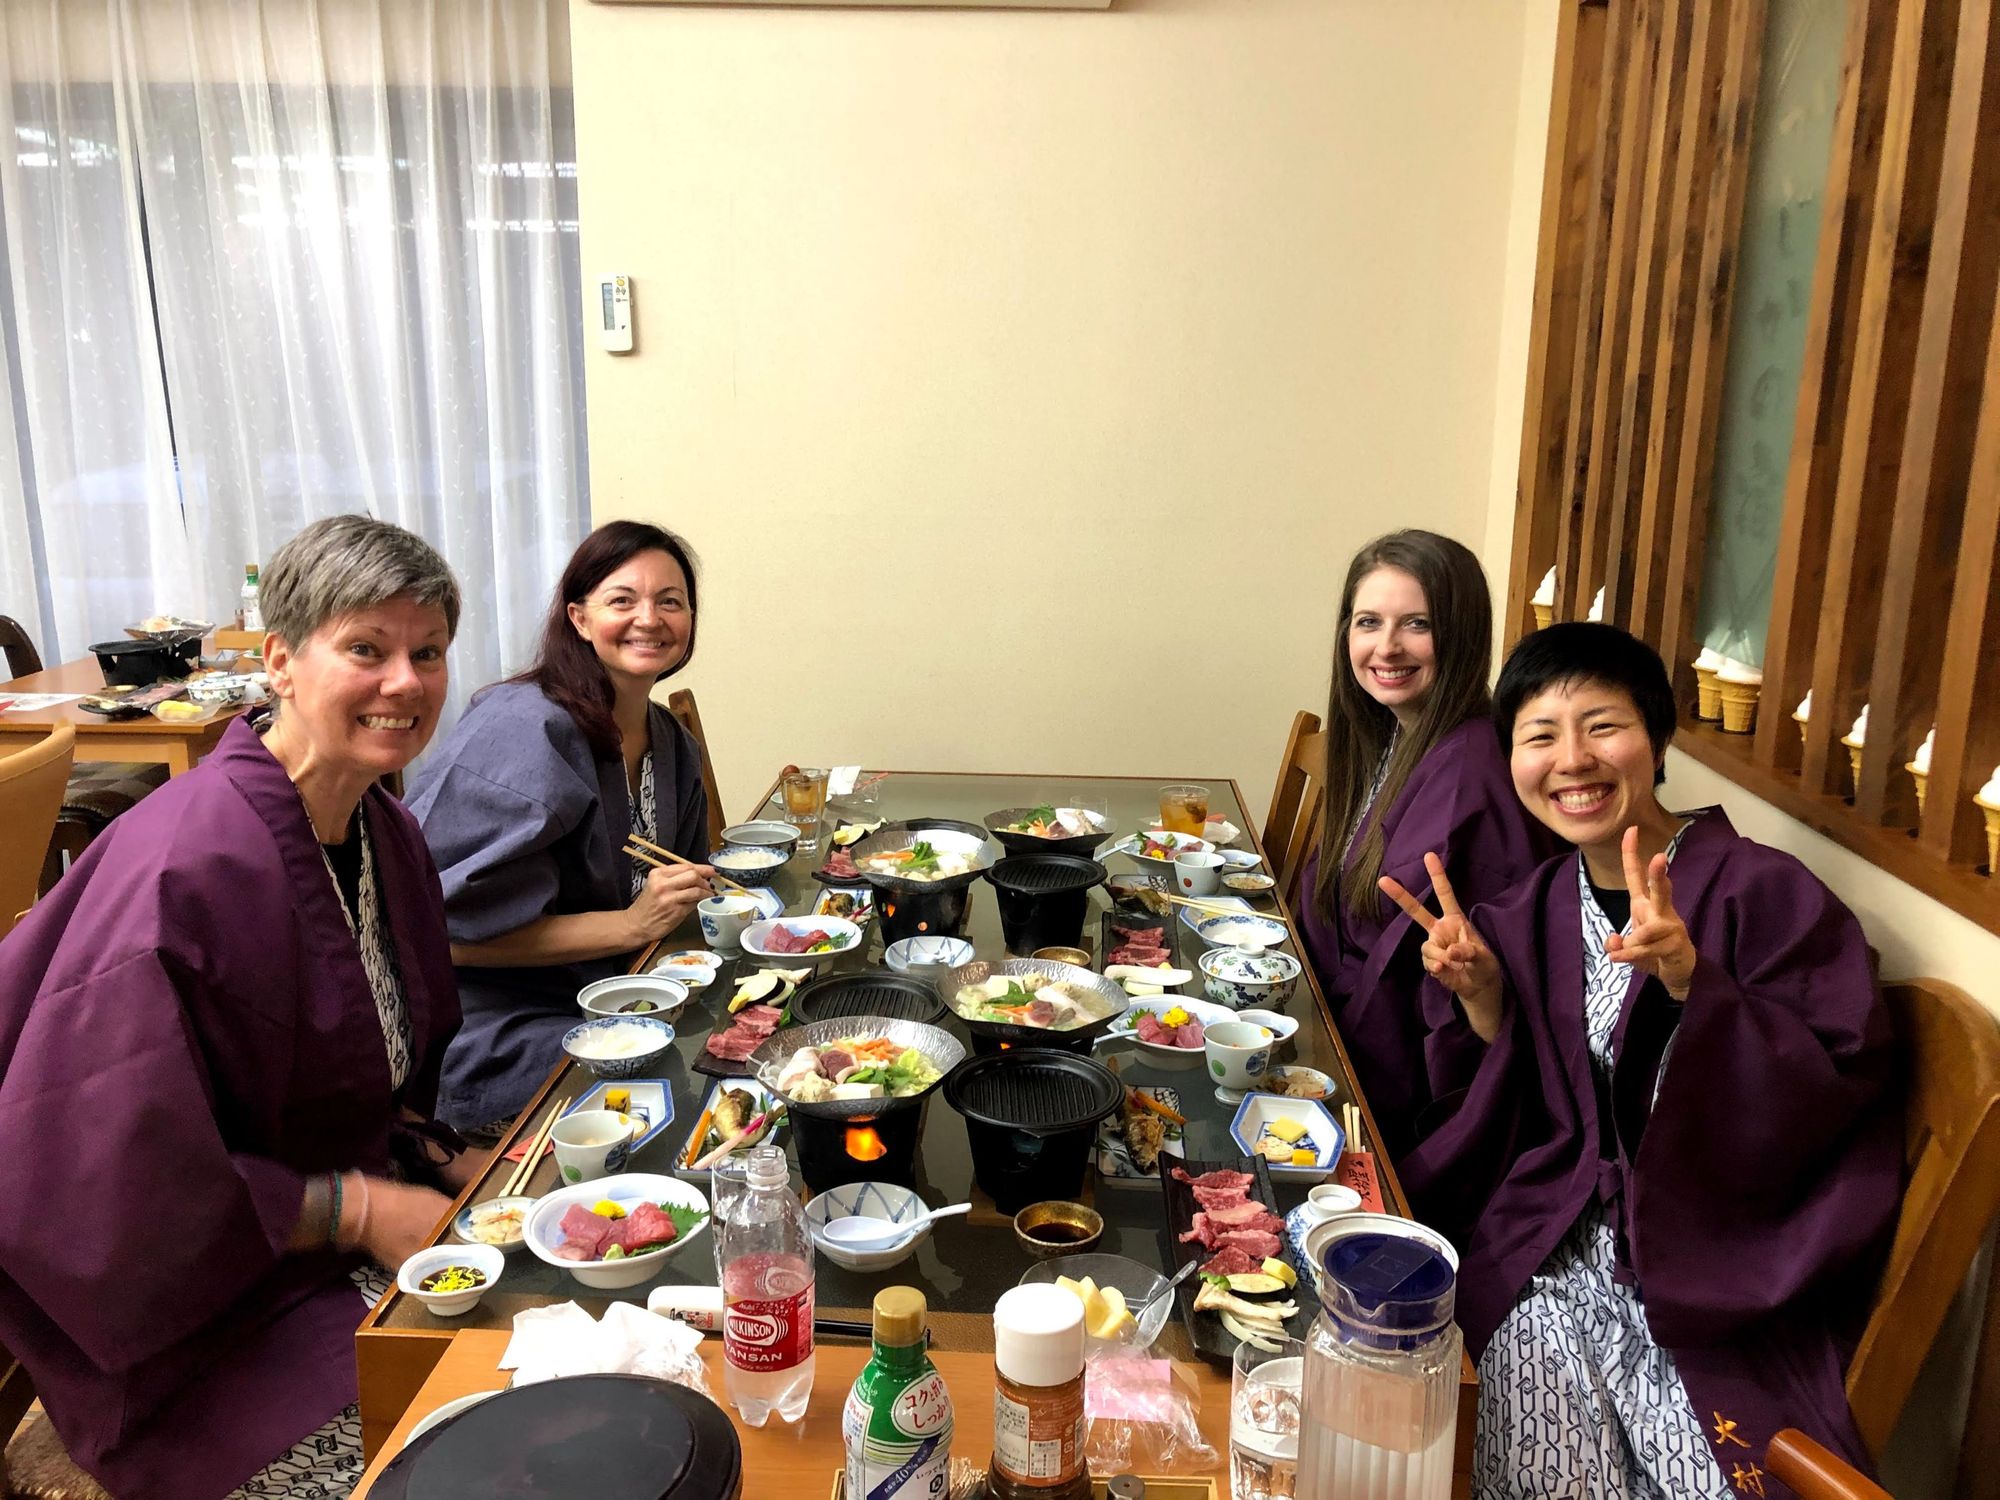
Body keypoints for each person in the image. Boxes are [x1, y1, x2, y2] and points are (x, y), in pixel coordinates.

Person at [0, 516, 476, 1499]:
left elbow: (365, 1070)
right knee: (462, 1456)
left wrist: (450, 1158)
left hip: (336, 1251)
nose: (405, 682)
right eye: (365, 649)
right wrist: (357, 1208)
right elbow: (109, 1178)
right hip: (193, 1327)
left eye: (427, 653)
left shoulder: (382, 829)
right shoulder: (188, 866)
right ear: (280, 663)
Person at [1380, 623, 1901, 1500]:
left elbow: (1835, 1088)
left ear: (1657, 738)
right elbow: (1502, 1101)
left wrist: (1702, 990)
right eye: (1540, 736)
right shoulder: (1529, 907)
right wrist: (1481, 997)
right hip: (1554, 1245)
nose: (1572, 760)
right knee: (1546, 1460)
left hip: (1711, 1267)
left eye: (1602, 726)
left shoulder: (1765, 892)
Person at [409, 520, 713, 1134]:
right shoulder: (526, 729)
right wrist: (630, 924)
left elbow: (679, 906)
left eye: (670, 602)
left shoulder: (670, 743)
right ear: (579, 618)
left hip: (613, 996)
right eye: (622, 600)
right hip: (494, 1022)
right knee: (681, 1088)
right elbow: (433, 934)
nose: (649, 619)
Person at [1295, 530, 1556, 1155]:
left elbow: (1435, 988)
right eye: (1368, 622)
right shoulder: (1390, 734)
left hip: (1394, 1091)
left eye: (1417, 624)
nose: (1387, 647)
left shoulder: (1472, 775)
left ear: (1462, 635)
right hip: (1327, 1023)